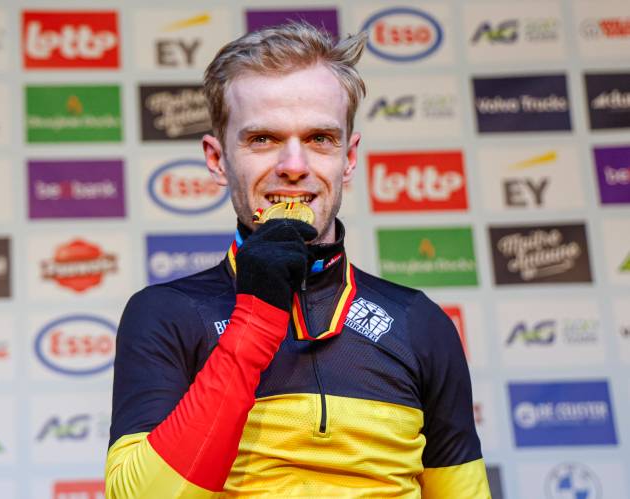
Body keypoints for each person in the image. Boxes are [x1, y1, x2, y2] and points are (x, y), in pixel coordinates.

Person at [105, 22, 491, 498]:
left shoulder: (419, 322)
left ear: (349, 157)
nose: (294, 166)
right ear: (217, 159)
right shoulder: (167, 314)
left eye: (319, 138)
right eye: (263, 139)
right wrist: (254, 320)